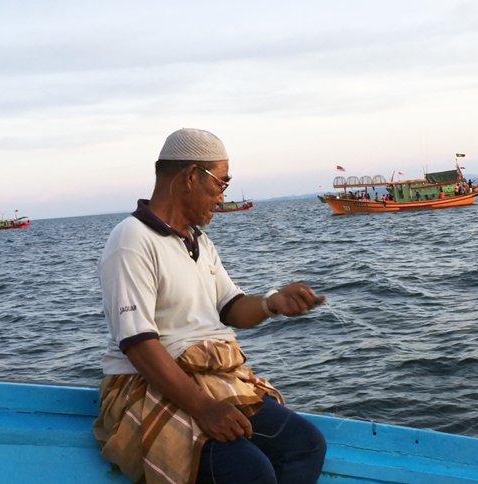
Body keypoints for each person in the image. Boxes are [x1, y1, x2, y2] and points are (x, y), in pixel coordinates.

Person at [93, 128, 327, 484]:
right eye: (221, 183)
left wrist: (272, 303)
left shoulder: (199, 241)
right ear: (190, 176)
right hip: (144, 385)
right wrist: (203, 407)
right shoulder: (131, 240)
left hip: (207, 381)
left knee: (305, 445)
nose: (221, 197)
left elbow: (230, 307)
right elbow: (138, 344)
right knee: (251, 472)